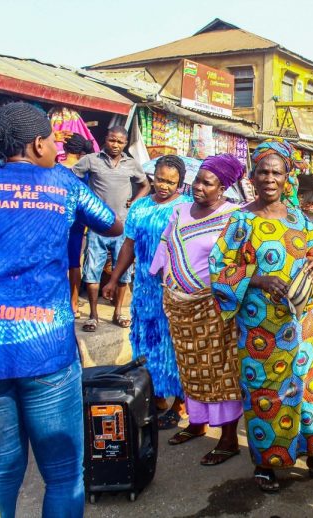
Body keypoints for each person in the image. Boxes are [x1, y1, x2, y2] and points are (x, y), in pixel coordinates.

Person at [0, 102, 122, 517]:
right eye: (54, 140)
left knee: (0, 472)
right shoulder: (64, 184)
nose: (58, 147)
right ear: (37, 143)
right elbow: (112, 223)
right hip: (47, 348)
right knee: (62, 473)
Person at [210, 139, 313, 493]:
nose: (269, 178)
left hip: (300, 324)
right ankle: (267, 462)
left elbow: (312, 253)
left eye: (276, 172)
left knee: (309, 391)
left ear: (287, 178)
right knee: (267, 394)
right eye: (263, 172)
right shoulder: (241, 220)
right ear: (252, 177)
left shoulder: (299, 218)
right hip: (260, 329)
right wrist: (257, 277)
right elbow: (219, 268)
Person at [150, 154, 243, 462]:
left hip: (213, 306)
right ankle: (197, 422)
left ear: (224, 187)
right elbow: (167, 245)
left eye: (208, 182)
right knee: (189, 368)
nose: (199, 187)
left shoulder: (235, 217)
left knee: (220, 372)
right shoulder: (179, 211)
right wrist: (159, 275)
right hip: (179, 306)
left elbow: (240, 261)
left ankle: (228, 438)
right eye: (198, 179)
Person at [103, 155, 191, 426]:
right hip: (144, 290)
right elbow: (128, 245)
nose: (164, 186)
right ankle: (153, 398)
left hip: (175, 291)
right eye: (160, 179)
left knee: (176, 346)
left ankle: (179, 406)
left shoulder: (186, 208)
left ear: (180, 183)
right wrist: (114, 278)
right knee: (147, 344)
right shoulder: (140, 207)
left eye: (171, 182)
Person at [74, 126, 150, 332]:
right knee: (92, 270)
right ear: (105, 139)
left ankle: (118, 312)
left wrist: (135, 201)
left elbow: (145, 185)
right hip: (98, 227)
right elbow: (73, 179)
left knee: (123, 271)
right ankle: (93, 315)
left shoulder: (131, 164)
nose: (115, 145)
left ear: (125, 144)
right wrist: (84, 201)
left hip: (124, 228)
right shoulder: (91, 160)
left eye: (120, 142)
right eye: (112, 140)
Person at [58, 133, 95, 317]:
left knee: (57, 260)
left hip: (57, 219)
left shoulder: (55, 168)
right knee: (74, 262)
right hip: (78, 221)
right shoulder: (85, 173)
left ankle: (59, 301)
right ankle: (74, 304)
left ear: (65, 149)